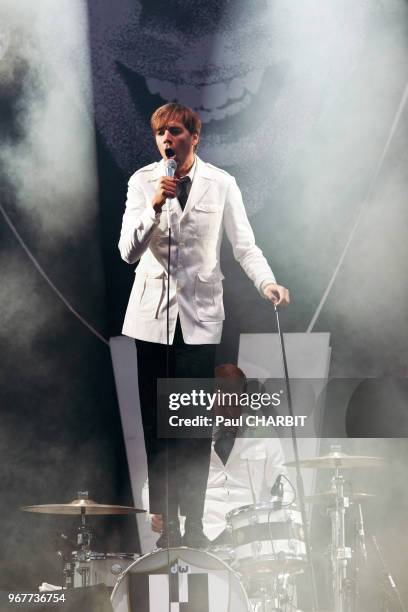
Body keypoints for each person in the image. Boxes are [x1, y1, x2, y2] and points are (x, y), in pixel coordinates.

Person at [118, 103, 289, 549]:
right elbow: (127, 252)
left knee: (191, 422)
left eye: (174, 131)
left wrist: (266, 282)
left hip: (198, 320)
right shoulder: (142, 182)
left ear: (195, 135)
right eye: (160, 134)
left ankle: (193, 525)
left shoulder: (222, 183)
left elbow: (244, 245)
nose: (166, 140)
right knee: (159, 423)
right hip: (151, 319)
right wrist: (155, 204)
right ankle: (168, 525)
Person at [147, 364, 292, 544]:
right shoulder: (186, 434)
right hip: (196, 535)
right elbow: (155, 482)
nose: (230, 412)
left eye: (235, 403)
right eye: (224, 404)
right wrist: (156, 515)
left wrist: (274, 520)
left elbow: (284, 485)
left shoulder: (263, 433)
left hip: (248, 535)